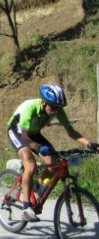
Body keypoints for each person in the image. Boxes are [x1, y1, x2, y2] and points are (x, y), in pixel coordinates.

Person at [7, 84, 99, 222]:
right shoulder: (29, 107)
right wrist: (38, 148)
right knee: (30, 165)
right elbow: (25, 138)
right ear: (44, 102)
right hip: (18, 132)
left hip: (34, 133)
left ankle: (36, 192)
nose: (56, 111)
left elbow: (71, 132)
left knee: (53, 163)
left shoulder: (56, 109)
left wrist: (90, 144)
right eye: (53, 107)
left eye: (58, 108)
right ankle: (26, 207)